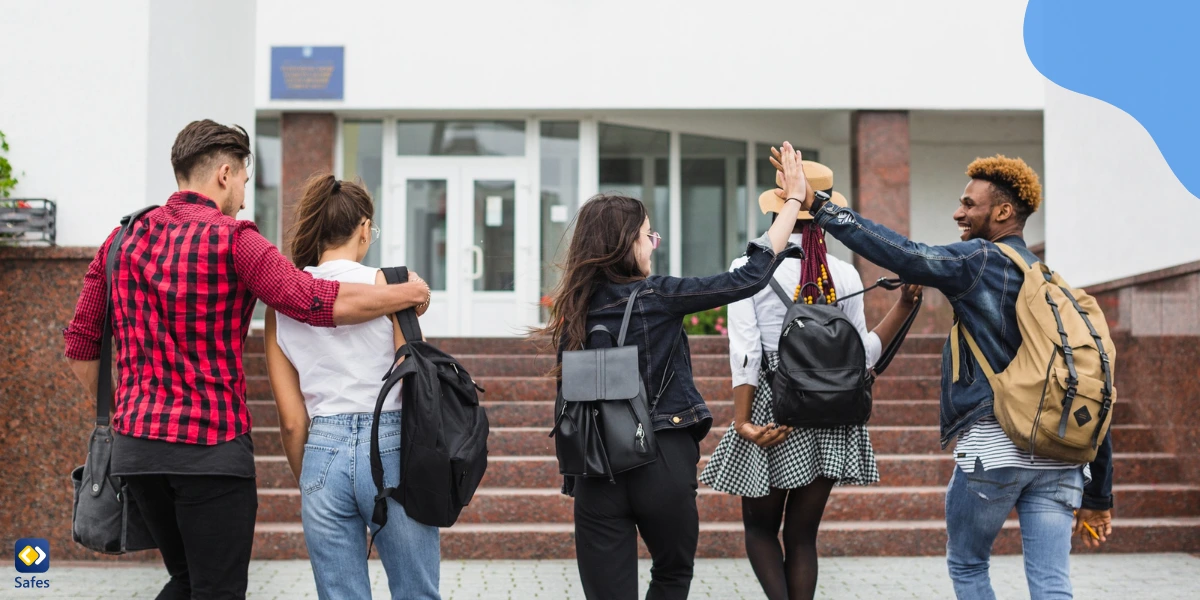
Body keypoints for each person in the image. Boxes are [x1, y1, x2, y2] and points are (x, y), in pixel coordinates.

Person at [63, 120, 432, 600]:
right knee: (216, 588)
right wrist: (406, 291)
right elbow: (311, 300)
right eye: (242, 179)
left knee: (187, 580)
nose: (242, 193)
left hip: (136, 451)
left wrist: (131, 411)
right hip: (210, 450)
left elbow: (81, 347)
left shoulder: (120, 240)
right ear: (223, 173)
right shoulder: (235, 240)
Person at [771, 142, 1113, 599]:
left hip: (995, 449)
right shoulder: (1052, 283)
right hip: (1062, 458)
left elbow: (905, 254)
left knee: (969, 565)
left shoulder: (980, 261)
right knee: (1052, 583)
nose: (958, 213)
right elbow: (1087, 383)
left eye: (969, 204)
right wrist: (1099, 496)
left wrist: (817, 205)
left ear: (1004, 211)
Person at [542, 153, 808, 599]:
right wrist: (795, 199)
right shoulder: (658, 295)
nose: (654, 245)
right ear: (628, 242)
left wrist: (573, 477)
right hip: (661, 454)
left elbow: (569, 401)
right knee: (671, 574)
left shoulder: (572, 311)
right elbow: (748, 277)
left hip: (594, 468)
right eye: (649, 236)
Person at [699, 160, 921, 600]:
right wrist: (903, 308)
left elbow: (744, 351)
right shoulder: (844, 274)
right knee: (803, 537)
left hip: (771, 410)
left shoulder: (749, 266)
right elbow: (862, 361)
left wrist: (743, 421)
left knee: (760, 530)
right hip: (831, 414)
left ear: (777, 211)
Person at [263, 174, 439, 600]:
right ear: (364, 228)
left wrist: (308, 477)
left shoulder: (282, 303)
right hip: (394, 441)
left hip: (322, 450)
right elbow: (412, 382)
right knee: (416, 592)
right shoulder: (393, 285)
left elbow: (290, 421)